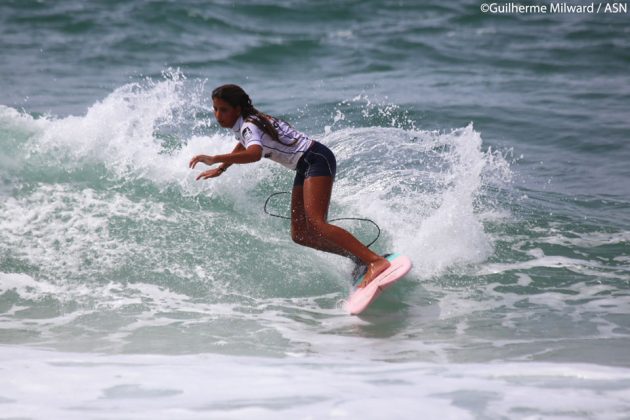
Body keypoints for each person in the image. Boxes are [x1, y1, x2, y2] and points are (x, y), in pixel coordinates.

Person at [189, 84, 390, 288]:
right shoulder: (248, 123)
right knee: (300, 234)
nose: (218, 115)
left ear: (237, 109)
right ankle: (359, 258)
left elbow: (254, 153)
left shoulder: (249, 125)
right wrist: (222, 168)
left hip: (315, 158)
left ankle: (375, 261)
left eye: (223, 110)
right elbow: (245, 143)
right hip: (305, 164)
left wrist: (214, 158)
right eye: (215, 109)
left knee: (317, 223)